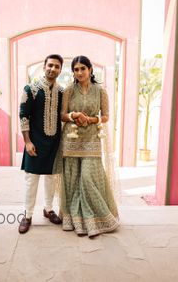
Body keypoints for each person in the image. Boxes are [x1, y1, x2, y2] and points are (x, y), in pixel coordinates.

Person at [59, 55, 119, 237]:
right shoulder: (69, 90)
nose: (79, 73)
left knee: (87, 177)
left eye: (82, 69)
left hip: (92, 138)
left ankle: (97, 219)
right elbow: (62, 115)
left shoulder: (100, 91)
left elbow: (106, 116)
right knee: (72, 179)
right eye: (76, 70)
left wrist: (90, 119)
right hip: (71, 139)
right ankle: (75, 220)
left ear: (90, 70)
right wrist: (74, 115)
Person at [18, 54, 64, 234]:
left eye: (57, 66)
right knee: (31, 180)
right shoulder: (31, 89)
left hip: (54, 143)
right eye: (50, 65)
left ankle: (48, 209)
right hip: (35, 143)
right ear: (44, 66)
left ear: (60, 70)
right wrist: (27, 141)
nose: (53, 69)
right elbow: (23, 116)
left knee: (51, 178)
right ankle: (27, 215)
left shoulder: (61, 91)